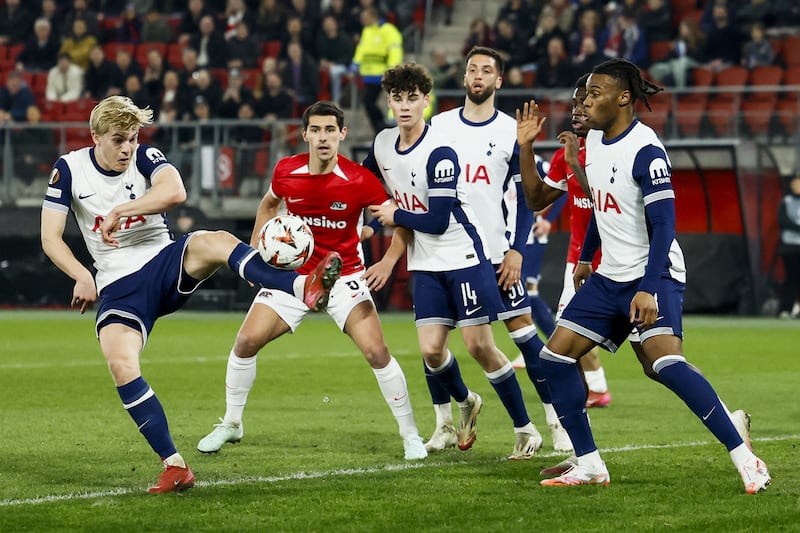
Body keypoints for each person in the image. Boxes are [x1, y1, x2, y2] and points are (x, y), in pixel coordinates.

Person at [40, 95, 343, 493]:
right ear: (95, 136)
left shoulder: (146, 156)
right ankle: (175, 465)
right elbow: (50, 237)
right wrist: (81, 275)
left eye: (132, 138)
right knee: (120, 362)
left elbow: (175, 192)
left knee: (211, 240)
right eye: (118, 140)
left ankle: (303, 286)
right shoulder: (70, 169)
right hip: (117, 284)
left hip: (164, 261)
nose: (127, 148)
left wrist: (124, 210)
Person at [516, 58, 771, 493]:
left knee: (664, 364)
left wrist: (649, 288)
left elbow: (665, 225)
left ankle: (747, 458)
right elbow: (601, 204)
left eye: (595, 93)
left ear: (623, 98)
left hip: (655, 272)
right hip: (608, 276)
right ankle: (590, 463)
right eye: (585, 93)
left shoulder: (646, 150)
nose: (586, 101)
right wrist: (586, 257)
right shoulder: (592, 143)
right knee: (554, 358)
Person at [197, 101, 428, 460]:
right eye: (316, 130)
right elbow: (269, 205)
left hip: (344, 276)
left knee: (376, 351)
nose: (323, 138)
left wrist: (387, 261)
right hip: (294, 277)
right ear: (304, 134)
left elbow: (400, 220)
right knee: (245, 341)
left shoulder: (359, 180)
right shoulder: (287, 171)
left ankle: (410, 434)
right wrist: (257, 257)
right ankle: (231, 423)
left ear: (342, 134)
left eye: (330, 131)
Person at [365, 63, 541, 459]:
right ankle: (466, 401)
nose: (405, 106)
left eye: (413, 98)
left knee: (480, 346)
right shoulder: (381, 144)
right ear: (388, 101)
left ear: (426, 101)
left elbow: (439, 220)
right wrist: (357, 223)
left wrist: (395, 217)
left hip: (463, 255)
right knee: (430, 351)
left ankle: (525, 429)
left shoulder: (440, 152)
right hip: (425, 262)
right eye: (397, 98)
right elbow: (361, 184)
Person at [425, 46, 564, 455]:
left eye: (487, 70)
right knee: (433, 339)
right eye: (472, 69)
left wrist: (517, 250)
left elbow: (527, 198)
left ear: (499, 81)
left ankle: (557, 421)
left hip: (495, 254)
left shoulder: (512, 130)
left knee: (525, 338)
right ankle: (443, 424)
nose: (479, 76)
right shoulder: (440, 125)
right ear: (465, 78)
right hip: (447, 251)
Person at [516, 74, 613, 415]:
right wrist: (526, 147)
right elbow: (535, 199)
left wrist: (575, 163)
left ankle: (726, 420)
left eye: (585, 103)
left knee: (660, 359)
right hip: (581, 264)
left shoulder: (623, 150)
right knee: (560, 350)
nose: (577, 110)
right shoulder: (565, 155)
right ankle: (581, 445)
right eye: (574, 104)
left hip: (627, 265)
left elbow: (608, 204)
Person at [349, 7, 403, 134]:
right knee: (368, 102)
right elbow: (361, 50)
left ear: (373, 16)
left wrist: (392, 68)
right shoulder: (367, 31)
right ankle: (381, 128)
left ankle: (381, 127)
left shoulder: (388, 30)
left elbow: (395, 49)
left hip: (381, 73)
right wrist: (355, 64)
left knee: (369, 101)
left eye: (365, 17)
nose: (362, 20)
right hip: (367, 74)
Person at [778, 174, 800, 319]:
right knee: (791, 278)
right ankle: (786, 308)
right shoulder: (786, 201)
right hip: (790, 246)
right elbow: (782, 221)